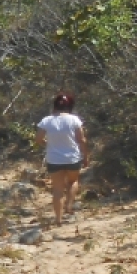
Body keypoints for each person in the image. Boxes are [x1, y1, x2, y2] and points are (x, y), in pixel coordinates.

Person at [34, 91, 89, 225]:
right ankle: (69, 205)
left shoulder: (46, 120)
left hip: (54, 159)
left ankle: (58, 219)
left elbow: (38, 139)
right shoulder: (74, 120)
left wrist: (48, 144)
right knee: (73, 181)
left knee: (57, 190)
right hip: (72, 158)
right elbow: (81, 140)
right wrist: (86, 156)